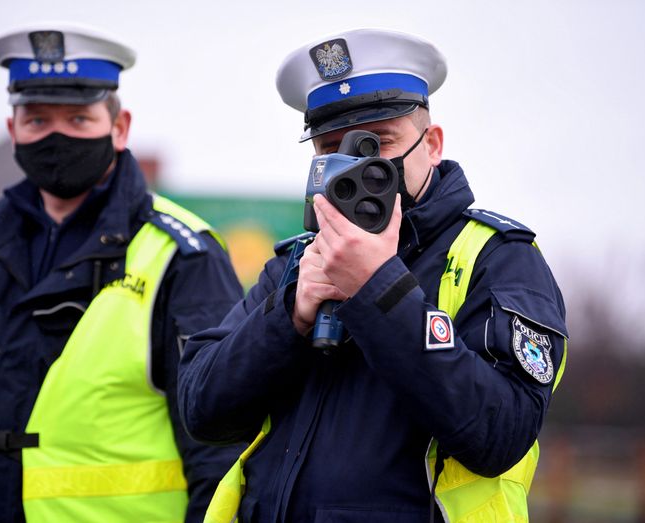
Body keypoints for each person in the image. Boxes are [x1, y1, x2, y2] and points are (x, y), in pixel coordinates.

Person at [178, 28, 568, 523]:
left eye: (378, 143)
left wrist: (379, 288)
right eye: (330, 148)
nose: (353, 166)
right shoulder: (295, 263)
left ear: (432, 144)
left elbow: (500, 435)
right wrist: (290, 314)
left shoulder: (498, 258)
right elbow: (202, 409)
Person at [0, 23, 244, 523]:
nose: (56, 137)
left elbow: (216, 447)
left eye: (79, 119)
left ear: (120, 126)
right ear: (12, 129)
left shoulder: (182, 255)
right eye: (37, 120)